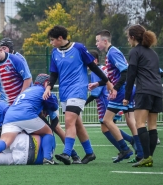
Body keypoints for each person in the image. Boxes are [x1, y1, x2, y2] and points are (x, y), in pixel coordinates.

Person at [43, 25, 113, 165]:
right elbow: (54, 74)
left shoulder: (79, 48)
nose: (51, 43)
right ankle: (89, 153)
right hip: (64, 91)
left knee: (69, 120)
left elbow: (93, 66)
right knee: (77, 123)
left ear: (60, 38)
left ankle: (67, 153)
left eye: (52, 40)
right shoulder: (54, 53)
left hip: (78, 89)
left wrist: (107, 82)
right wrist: (48, 87)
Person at [0, 74, 58, 166]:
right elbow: (54, 106)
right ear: (46, 83)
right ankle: (47, 158)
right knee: (48, 132)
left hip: (9, 116)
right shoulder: (43, 90)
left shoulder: (27, 91)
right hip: (25, 114)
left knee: (5, 140)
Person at [92, 29, 143, 163]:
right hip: (129, 88)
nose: (96, 44)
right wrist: (97, 84)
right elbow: (112, 76)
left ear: (105, 41)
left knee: (107, 121)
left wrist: (115, 88)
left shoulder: (113, 52)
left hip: (122, 90)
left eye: (97, 41)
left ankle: (125, 149)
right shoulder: (112, 52)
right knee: (130, 120)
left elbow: (125, 72)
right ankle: (140, 151)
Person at [123, 24, 163, 167]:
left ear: (133, 37)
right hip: (158, 91)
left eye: (128, 37)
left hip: (144, 91)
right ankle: (149, 157)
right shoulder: (153, 53)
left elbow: (131, 75)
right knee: (152, 126)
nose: (128, 40)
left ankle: (146, 157)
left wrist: (126, 96)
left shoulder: (135, 52)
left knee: (139, 123)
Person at [86, 50, 137, 160]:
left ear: (94, 60)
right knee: (109, 127)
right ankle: (129, 143)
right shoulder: (104, 68)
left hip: (106, 100)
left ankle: (124, 149)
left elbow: (96, 93)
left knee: (106, 128)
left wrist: (83, 103)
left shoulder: (96, 71)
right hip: (113, 98)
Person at [0, 40, 32, 106]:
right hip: (4, 104)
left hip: (19, 103)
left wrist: (20, 98)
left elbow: (28, 78)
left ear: (1, 50)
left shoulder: (15, 60)